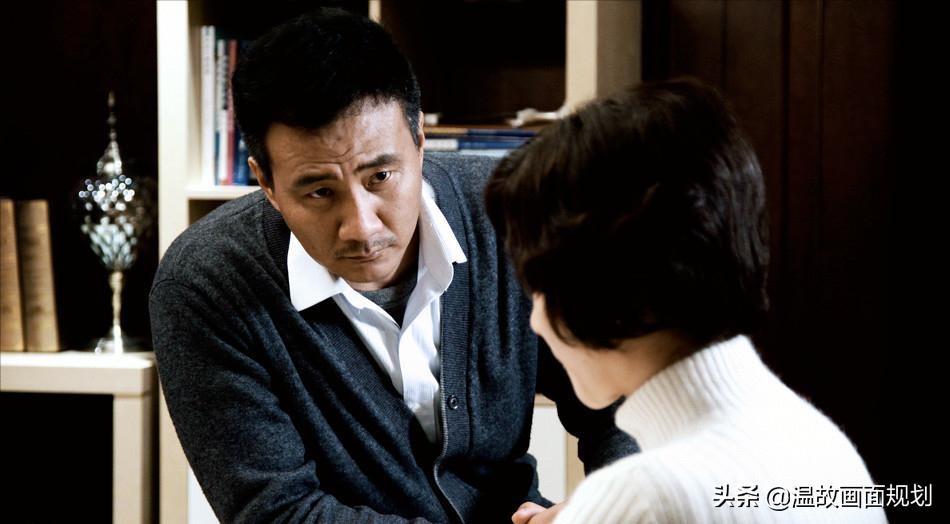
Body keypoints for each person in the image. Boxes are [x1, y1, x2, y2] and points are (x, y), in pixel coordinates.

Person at [149, 8, 636, 523]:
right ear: (265, 183)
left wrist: (607, 506)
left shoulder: (514, 213)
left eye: (380, 176)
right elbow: (277, 513)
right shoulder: (204, 285)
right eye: (319, 192)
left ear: (420, 139)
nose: (361, 227)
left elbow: (624, 400)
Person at [488, 78, 886, 524]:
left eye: (540, 286)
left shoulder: (644, 495)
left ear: (603, 287)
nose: (536, 321)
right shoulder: (818, 440)